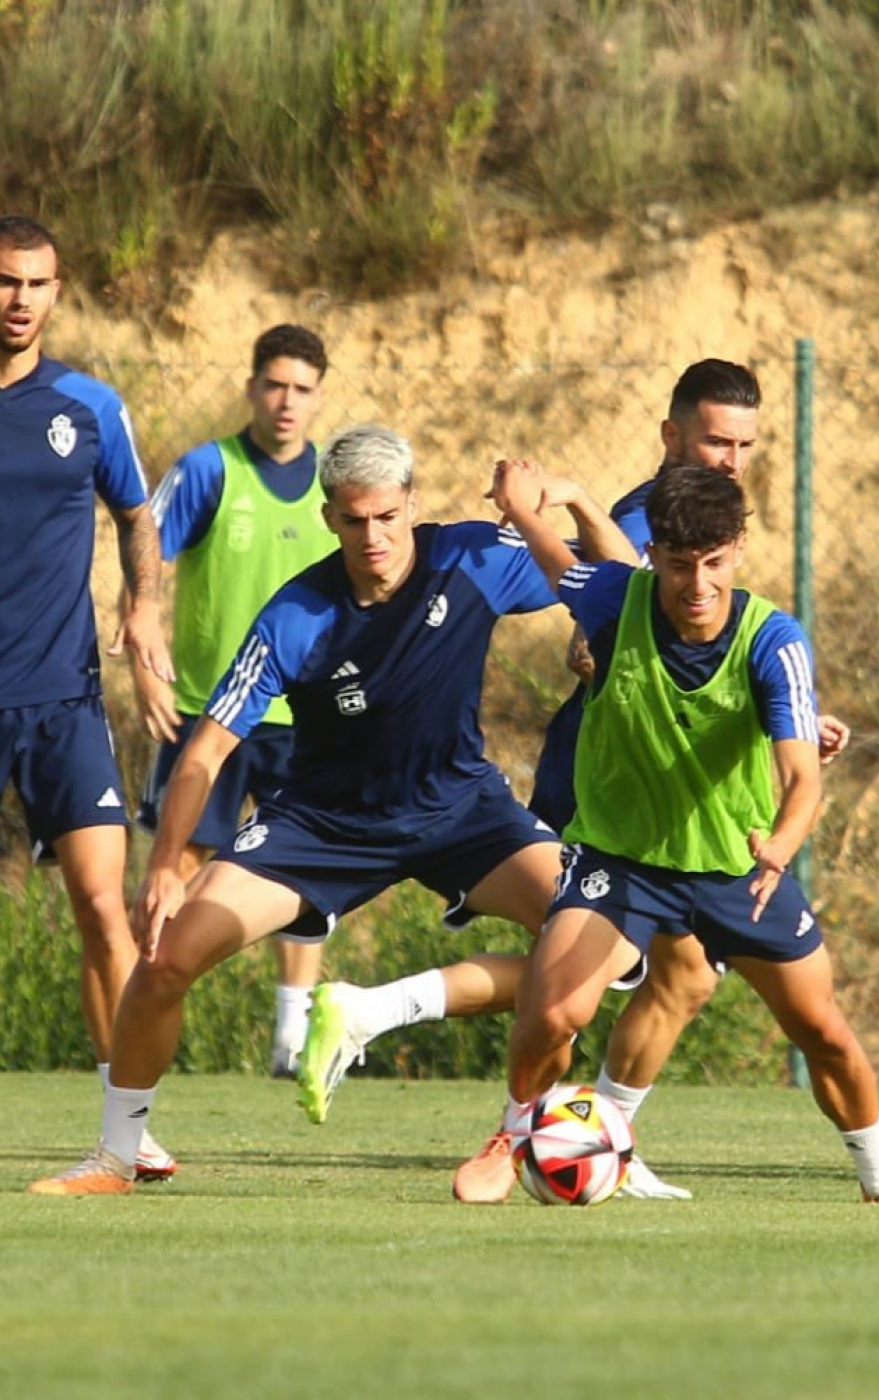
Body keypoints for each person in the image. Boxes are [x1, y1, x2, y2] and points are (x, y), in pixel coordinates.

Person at [28, 424, 631, 1196]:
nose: (373, 536)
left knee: (594, 946)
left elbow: (625, 588)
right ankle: (116, 1157)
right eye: (354, 520)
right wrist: (164, 869)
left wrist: (574, 497)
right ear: (329, 518)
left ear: (412, 505)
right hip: (322, 824)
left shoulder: (471, 557)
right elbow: (206, 751)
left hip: (462, 811)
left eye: (387, 516)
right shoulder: (298, 614)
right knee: (165, 955)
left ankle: (482, 1108)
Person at [304, 360, 846, 1203]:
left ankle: (599, 1138)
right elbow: (604, 603)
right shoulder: (651, 518)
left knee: (678, 976)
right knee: (588, 978)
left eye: (745, 444)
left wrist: (792, 721)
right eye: (714, 439)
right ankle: (451, 1074)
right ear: (672, 438)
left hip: (677, 794)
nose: (731, 458)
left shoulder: (706, 519)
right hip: (615, 783)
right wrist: (561, 522)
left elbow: (727, 647)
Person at [485, 458, 879, 1207]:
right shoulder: (616, 600)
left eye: (714, 563)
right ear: (654, 557)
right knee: (554, 1013)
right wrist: (522, 507)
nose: (698, 584)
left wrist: (780, 844)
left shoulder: (772, 641)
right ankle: (516, 1137)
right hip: (623, 859)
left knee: (823, 1032)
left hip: (738, 867)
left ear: (739, 549)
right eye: (680, 565)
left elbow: (803, 777)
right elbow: (559, 563)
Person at [0, 214, 178, 1183]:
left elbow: (135, 510)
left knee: (104, 906)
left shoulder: (87, 405)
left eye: (37, 282)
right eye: (5, 281)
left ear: (57, 292)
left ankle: (126, 1125)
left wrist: (143, 606)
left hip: (63, 697)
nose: (20, 299)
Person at [135, 324, 333, 1077]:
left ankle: (293, 1035)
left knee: (306, 865)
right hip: (209, 710)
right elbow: (144, 551)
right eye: (275, 385)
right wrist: (146, 658)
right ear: (251, 387)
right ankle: (148, 1002)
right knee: (178, 857)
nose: (287, 402)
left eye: (303, 389)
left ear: (319, 397)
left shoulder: (335, 486)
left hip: (307, 714)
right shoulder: (208, 470)